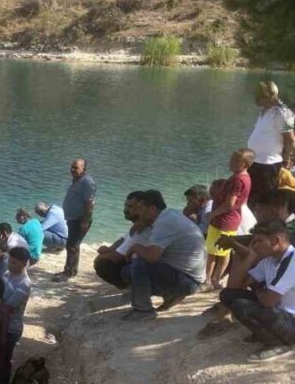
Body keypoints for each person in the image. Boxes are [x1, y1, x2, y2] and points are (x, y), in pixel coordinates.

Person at [217, 219, 295, 363]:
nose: (254, 245)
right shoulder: (270, 259)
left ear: (276, 240)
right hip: (280, 313)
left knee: (242, 306)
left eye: (259, 241)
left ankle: (280, 344)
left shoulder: (292, 262)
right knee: (228, 295)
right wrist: (251, 256)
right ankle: (267, 334)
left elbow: (268, 301)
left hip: (291, 320)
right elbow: (234, 286)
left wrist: (259, 288)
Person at [121, 190, 206, 321]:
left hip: (187, 280)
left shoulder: (164, 223)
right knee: (129, 270)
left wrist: (135, 247)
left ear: (152, 208)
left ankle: (143, 310)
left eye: (141, 209)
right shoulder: (168, 215)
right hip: (190, 276)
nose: (139, 213)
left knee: (139, 262)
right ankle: (170, 295)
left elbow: (152, 256)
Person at [205, 149, 254, 292]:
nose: (231, 163)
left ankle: (208, 279)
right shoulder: (245, 177)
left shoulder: (238, 180)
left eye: (236, 161)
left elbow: (229, 203)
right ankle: (217, 279)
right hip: (232, 219)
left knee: (212, 251)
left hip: (223, 219)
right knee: (224, 250)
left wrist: (213, 214)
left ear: (246, 164)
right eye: (232, 159)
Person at [246, 81, 295, 207]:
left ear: (272, 95)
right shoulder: (265, 111)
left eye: (261, 95)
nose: (256, 98)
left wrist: (286, 160)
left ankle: (264, 225)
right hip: (254, 162)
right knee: (251, 199)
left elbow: (290, 140)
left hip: (268, 165)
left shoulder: (282, 113)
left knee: (264, 201)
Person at [94, 191, 149, 290]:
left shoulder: (141, 229)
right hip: (136, 261)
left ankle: (130, 288)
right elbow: (123, 239)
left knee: (102, 263)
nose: (126, 210)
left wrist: (101, 256)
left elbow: (116, 257)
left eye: (131, 207)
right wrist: (109, 248)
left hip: (143, 266)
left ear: (142, 209)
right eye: (126, 206)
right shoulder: (138, 224)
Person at [55, 158, 96, 281]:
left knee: (71, 245)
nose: (73, 169)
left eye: (76, 167)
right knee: (74, 245)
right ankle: (72, 271)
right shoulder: (77, 180)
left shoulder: (87, 183)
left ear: (84, 169)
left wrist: (85, 221)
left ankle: (67, 273)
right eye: (72, 167)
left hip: (80, 219)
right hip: (73, 218)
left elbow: (90, 203)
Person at [2, 247, 32, 365]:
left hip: (11, 327)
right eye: (9, 261)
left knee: (4, 359)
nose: (10, 264)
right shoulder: (7, 274)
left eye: (14, 262)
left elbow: (7, 308)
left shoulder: (24, 284)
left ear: (24, 263)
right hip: (2, 323)